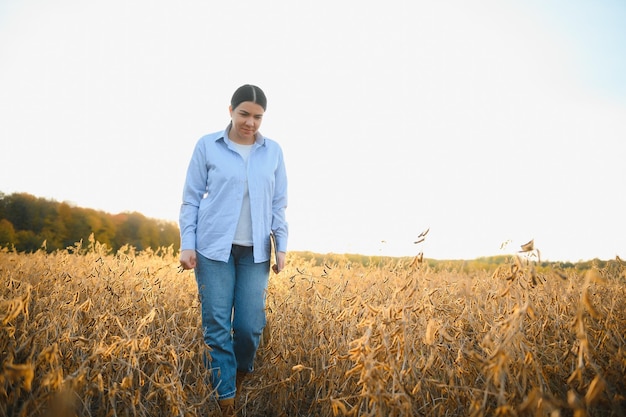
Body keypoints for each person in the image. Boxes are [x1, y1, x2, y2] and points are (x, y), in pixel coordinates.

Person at [178, 84, 288, 416]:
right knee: (215, 322)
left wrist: (281, 245)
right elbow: (191, 198)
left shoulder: (273, 152)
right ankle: (226, 396)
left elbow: (279, 203)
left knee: (250, 325)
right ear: (230, 110)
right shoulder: (207, 146)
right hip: (213, 249)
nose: (250, 123)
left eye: (257, 117)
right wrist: (187, 243)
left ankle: (239, 372)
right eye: (244, 114)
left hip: (256, 252)